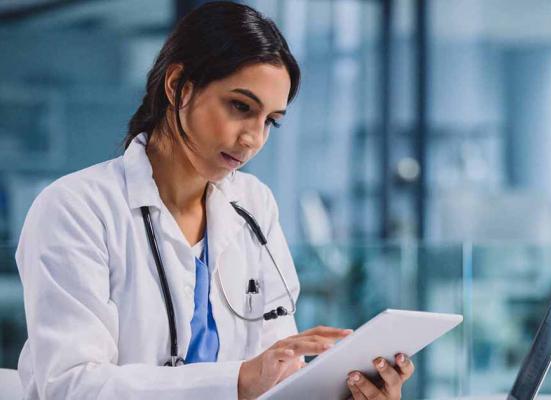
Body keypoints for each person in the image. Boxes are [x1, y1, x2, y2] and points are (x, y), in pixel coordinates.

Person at [14, 2, 414, 399]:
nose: (253, 139)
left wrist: (348, 394)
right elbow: (70, 386)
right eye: (240, 106)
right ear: (178, 87)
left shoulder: (255, 206)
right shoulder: (75, 209)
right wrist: (237, 382)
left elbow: (279, 376)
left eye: (270, 121)